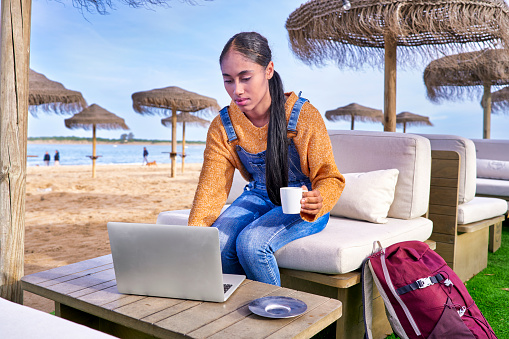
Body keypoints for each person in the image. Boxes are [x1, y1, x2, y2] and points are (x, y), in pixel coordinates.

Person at [188, 32, 345, 286]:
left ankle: (275, 315)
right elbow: (211, 189)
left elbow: (330, 178)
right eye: (228, 80)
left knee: (251, 244)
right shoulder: (223, 126)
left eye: (245, 78)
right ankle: (235, 310)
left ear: (268, 70)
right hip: (258, 194)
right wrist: (192, 239)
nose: (236, 90)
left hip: (301, 203)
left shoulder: (302, 115)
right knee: (216, 241)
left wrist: (319, 200)